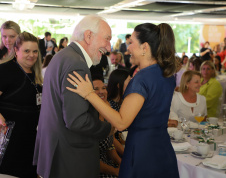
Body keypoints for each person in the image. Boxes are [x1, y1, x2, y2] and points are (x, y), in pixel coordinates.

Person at [67, 23, 179, 178]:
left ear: (144, 47)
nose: (128, 48)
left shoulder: (142, 79)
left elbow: (121, 123)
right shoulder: (166, 75)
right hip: (162, 149)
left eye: (131, 42)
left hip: (142, 152)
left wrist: (89, 94)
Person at [33, 15, 112, 178]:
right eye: (107, 39)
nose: (109, 47)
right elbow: (77, 121)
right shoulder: (77, 64)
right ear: (89, 36)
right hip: (71, 160)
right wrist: (107, 128)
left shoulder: (62, 56)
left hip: (57, 153)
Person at [0, 31, 43, 177]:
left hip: (30, 143)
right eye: (27, 51)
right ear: (16, 51)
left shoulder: (37, 76)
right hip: (8, 144)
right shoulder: (5, 71)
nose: (31, 55)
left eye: (35, 51)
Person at [92, 74, 121, 177]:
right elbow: (90, 160)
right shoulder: (88, 118)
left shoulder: (105, 111)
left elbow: (109, 145)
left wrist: (122, 162)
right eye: (96, 89)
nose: (101, 91)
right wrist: (115, 171)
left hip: (107, 165)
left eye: (104, 88)